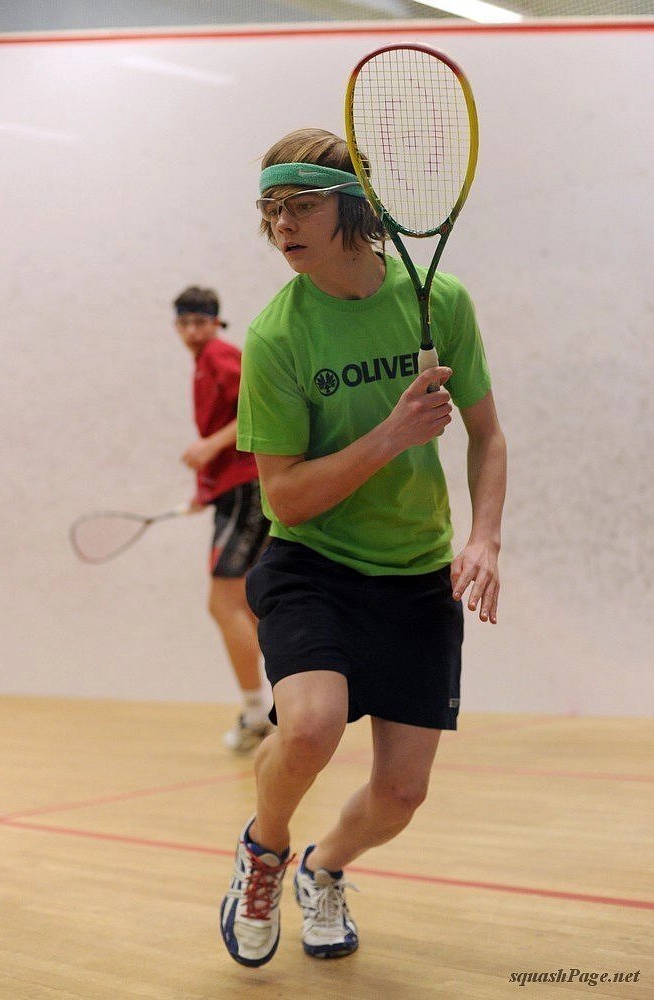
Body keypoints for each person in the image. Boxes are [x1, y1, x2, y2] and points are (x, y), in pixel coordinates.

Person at [219, 129, 507, 967]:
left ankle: (323, 868)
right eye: (271, 209)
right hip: (313, 565)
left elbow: (487, 436)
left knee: (401, 794)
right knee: (310, 727)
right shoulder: (277, 337)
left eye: (301, 205)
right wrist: (389, 435)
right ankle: (265, 850)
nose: (282, 225)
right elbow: (283, 497)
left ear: (355, 208)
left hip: (417, 572)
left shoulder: (439, 302)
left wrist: (484, 537)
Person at [173, 286, 272, 753]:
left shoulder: (219, 355)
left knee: (223, 604)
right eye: (184, 323)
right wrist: (204, 489)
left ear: (216, 322)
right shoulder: (204, 362)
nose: (193, 331)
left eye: (200, 322)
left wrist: (210, 447)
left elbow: (257, 407)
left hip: (248, 487)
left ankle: (257, 716)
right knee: (249, 606)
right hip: (236, 489)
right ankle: (278, 709)